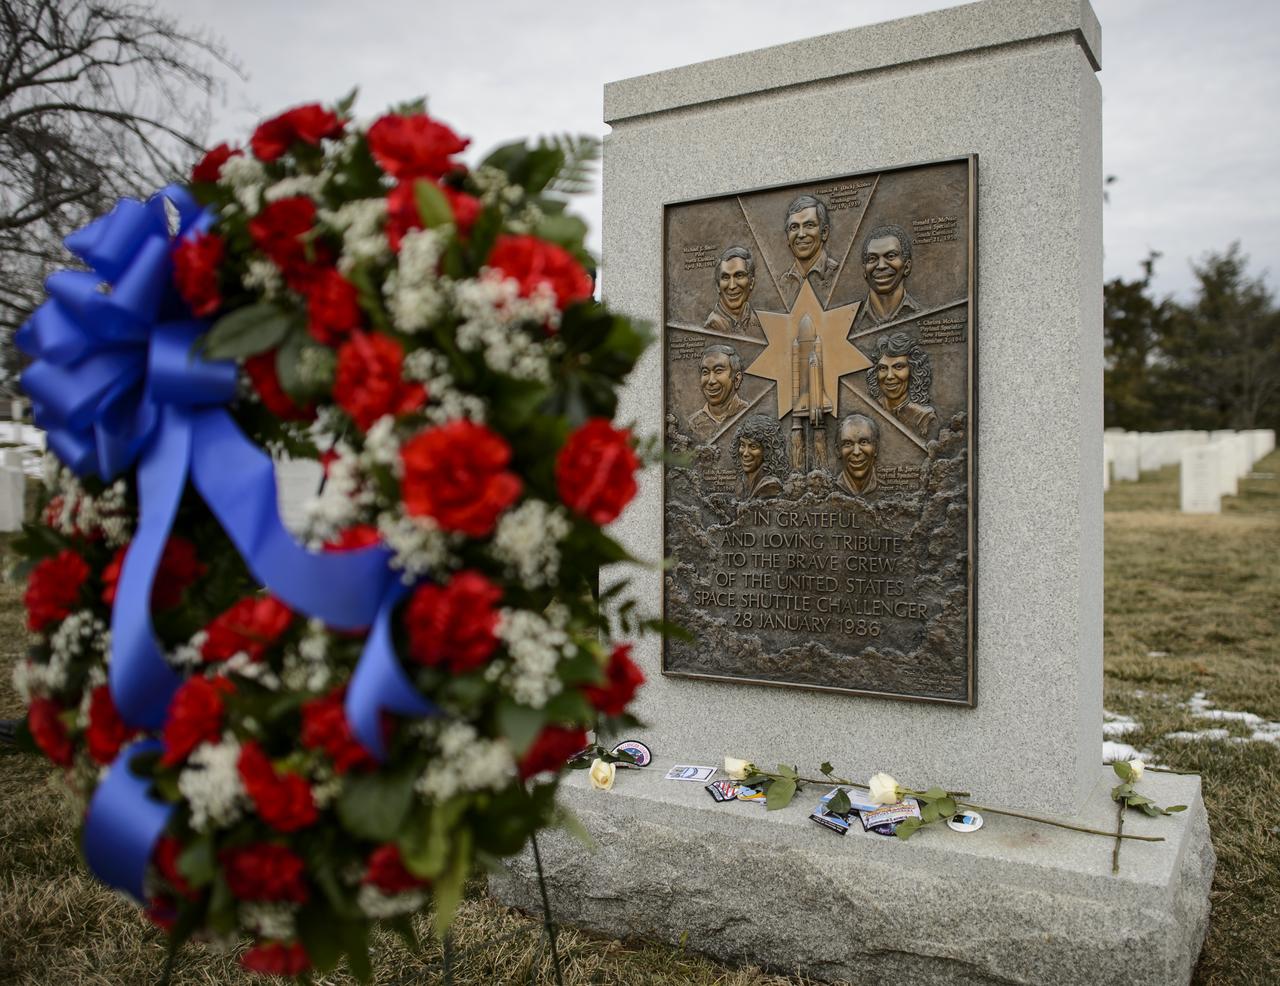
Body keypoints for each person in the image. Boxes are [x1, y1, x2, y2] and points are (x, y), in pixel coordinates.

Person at [864, 332, 937, 440]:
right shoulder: (868, 406)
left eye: (898, 367)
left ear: (913, 370)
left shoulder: (924, 418)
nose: (889, 376)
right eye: (883, 368)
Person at [854, 224, 920, 329]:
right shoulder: (849, 320)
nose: (881, 266)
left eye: (890, 256)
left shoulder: (922, 314)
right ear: (864, 270)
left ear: (907, 267)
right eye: (872, 258)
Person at [779, 194, 840, 300]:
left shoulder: (838, 274)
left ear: (824, 232)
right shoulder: (783, 282)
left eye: (809, 225)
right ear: (788, 237)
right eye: (794, 227)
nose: (801, 234)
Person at [688, 344, 749, 442]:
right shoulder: (691, 424)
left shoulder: (749, 414)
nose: (711, 380)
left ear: (737, 379)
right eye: (705, 372)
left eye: (718, 371)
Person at [705, 246, 762, 334]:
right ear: (717, 286)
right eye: (725, 277)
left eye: (739, 275)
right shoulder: (713, 326)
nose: (732, 286)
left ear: (751, 282)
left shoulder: (758, 320)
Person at [732, 414, 785, 500]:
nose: (745, 453)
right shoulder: (741, 482)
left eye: (753, 447)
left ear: (768, 451)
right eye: (742, 445)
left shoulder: (770, 486)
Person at [834, 414, 880, 495]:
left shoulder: (889, 488)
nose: (856, 452)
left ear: (875, 448)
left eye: (863, 442)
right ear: (838, 450)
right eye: (848, 443)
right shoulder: (830, 489)